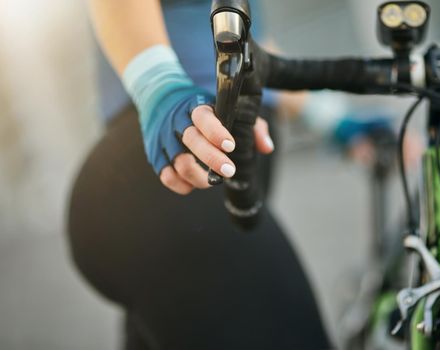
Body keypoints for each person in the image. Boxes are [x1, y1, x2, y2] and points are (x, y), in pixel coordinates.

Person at [67, 1, 332, 349]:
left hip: (180, 212)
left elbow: (251, 47)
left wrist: (332, 118)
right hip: (161, 185)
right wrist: (161, 85)